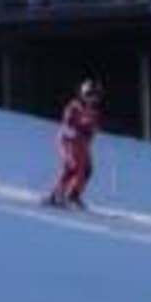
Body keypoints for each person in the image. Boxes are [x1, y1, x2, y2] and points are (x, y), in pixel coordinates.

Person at [48, 79, 104, 208]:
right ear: (83, 94)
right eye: (89, 95)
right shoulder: (74, 106)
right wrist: (77, 130)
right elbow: (68, 124)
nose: (92, 99)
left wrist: (89, 136)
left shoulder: (95, 112)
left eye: (96, 96)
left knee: (87, 169)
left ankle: (74, 195)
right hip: (69, 140)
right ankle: (57, 195)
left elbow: (93, 129)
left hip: (82, 143)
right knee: (73, 167)